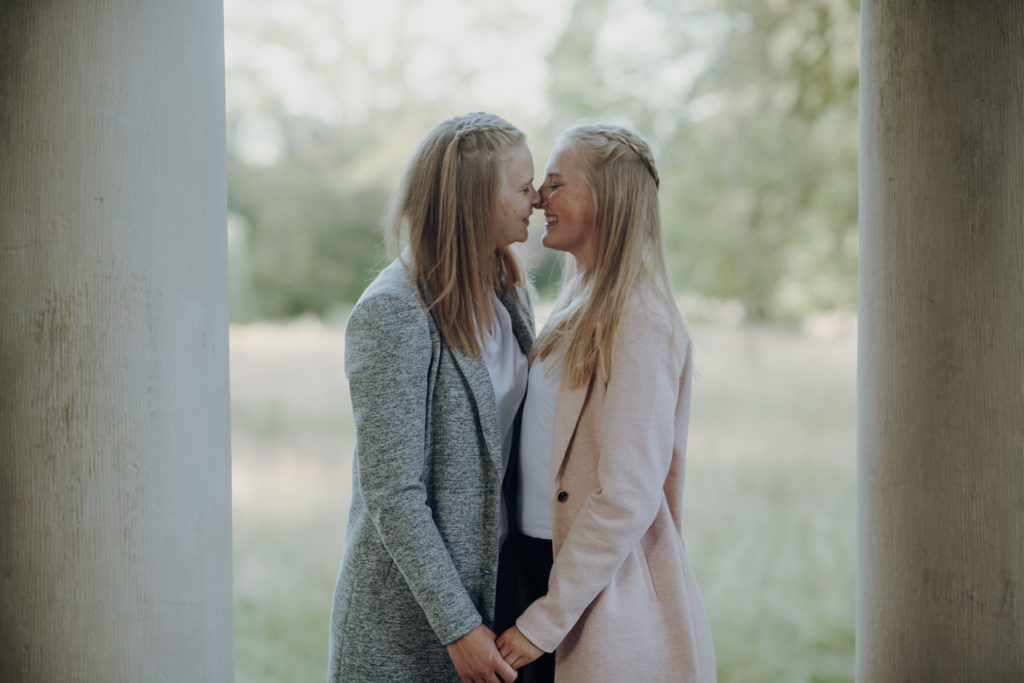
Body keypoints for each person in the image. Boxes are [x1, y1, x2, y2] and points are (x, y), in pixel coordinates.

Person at [496, 124, 717, 682]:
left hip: (588, 592)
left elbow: (627, 494)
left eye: (556, 184)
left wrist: (543, 621)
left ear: (605, 200)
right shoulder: (579, 300)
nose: (540, 198)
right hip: (533, 563)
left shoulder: (640, 320)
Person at [328, 112, 540, 683]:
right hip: (407, 626)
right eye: (522, 187)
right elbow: (392, 491)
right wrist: (457, 626)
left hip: (496, 593)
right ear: (474, 200)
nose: (537, 197)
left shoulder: (509, 291)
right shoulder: (393, 312)